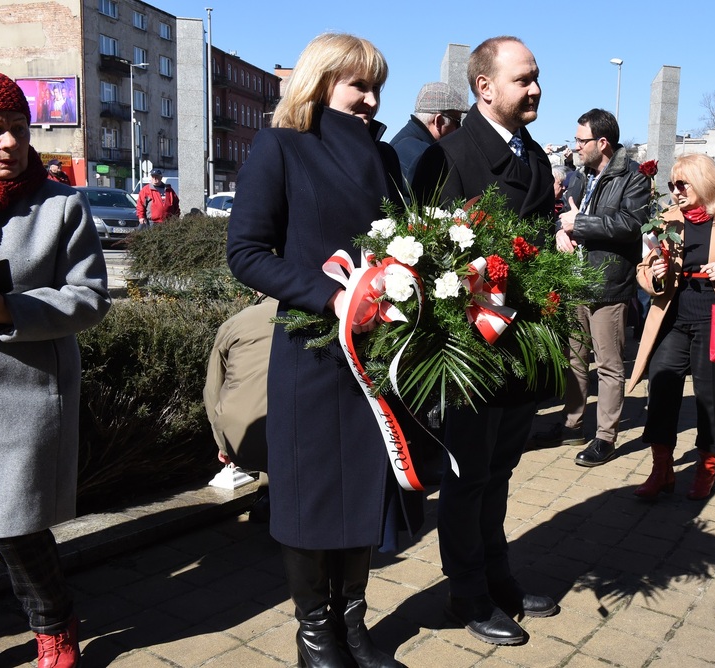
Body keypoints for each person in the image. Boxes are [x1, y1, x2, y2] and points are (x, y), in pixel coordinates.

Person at [226, 33, 417, 668]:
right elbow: (246, 252)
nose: (371, 99)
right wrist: (332, 298)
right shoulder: (280, 146)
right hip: (311, 353)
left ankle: (353, 628)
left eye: (377, 87)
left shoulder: (385, 157)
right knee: (310, 498)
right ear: (320, 82)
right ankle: (314, 635)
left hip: (378, 353)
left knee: (364, 490)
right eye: (359, 85)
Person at [412, 36, 559, 646]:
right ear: (485, 87)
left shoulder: (536, 157)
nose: (535, 88)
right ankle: (467, 591)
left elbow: (543, 239)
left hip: (523, 341)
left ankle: (498, 575)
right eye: (523, 79)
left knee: (499, 471)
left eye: (536, 76)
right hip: (472, 348)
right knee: (468, 476)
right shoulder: (448, 157)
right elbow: (428, 260)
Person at [0, 71, 111, 668]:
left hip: (22, 396)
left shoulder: (60, 204)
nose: (9, 142)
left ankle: (55, 625)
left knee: (15, 526)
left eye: (18, 128)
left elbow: (90, 298)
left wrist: (8, 309)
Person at [628, 153, 715, 500]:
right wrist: (655, 275)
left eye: (682, 184)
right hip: (673, 315)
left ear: (704, 182)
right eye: (672, 185)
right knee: (661, 385)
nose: (675, 191)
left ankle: (707, 468)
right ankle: (661, 469)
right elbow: (644, 267)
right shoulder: (667, 219)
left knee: (711, 395)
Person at [531, 108, 649, 467]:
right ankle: (572, 425)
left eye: (582, 140)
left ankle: (605, 438)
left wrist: (579, 224)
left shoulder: (633, 177)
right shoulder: (581, 176)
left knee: (609, 365)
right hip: (575, 282)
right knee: (575, 360)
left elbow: (630, 224)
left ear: (603, 142)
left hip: (608, 285)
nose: (576, 146)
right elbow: (563, 217)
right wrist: (559, 232)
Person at [203, 296, 278, 522]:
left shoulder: (235, 322)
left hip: (239, 434)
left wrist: (222, 443)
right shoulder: (318, 321)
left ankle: (267, 499)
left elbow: (213, 388)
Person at [389, 81, 468, 186]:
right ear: (438, 121)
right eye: (457, 121)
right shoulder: (422, 155)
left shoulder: (404, 144)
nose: (459, 129)